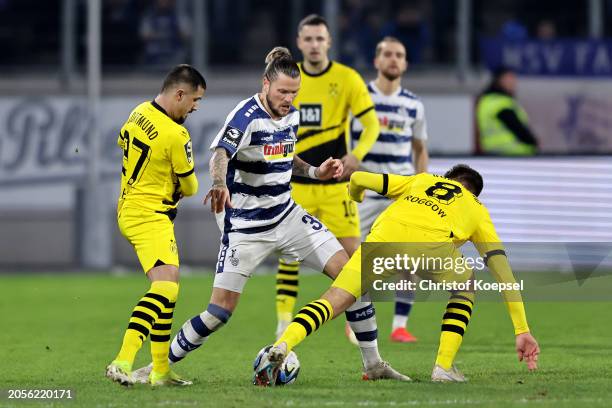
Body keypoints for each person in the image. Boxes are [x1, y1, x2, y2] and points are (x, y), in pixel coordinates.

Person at [131, 47, 408, 384]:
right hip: (247, 227)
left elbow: (287, 157)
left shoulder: (291, 114)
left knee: (352, 276)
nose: (289, 99)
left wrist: (316, 172)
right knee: (219, 312)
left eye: (294, 92)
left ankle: (374, 365)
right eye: (282, 92)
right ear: (266, 85)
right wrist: (219, 183)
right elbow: (221, 153)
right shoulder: (245, 116)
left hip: (288, 215)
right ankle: (156, 365)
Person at [256, 165, 540, 384]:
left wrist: (354, 196)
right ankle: (443, 366)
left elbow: (358, 179)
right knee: (466, 285)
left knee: (334, 299)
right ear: (474, 193)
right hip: (431, 248)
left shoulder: (423, 179)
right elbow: (503, 273)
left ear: (446, 178)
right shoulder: (477, 209)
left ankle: (283, 345)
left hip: (383, 239)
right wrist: (522, 329)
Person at [275, 15, 382, 354]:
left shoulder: (347, 78)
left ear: (329, 41)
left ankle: (355, 323)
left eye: (320, 39)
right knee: (288, 257)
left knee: (351, 260)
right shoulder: (290, 79)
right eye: (308, 39)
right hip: (297, 183)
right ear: (299, 41)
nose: (314, 45)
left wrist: (357, 155)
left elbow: (371, 125)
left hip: (336, 186)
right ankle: (282, 321)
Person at [105, 64, 206, 386]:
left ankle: (160, 370)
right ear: (179, 93)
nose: (195, 107)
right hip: (150, 215)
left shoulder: (138, 112)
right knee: (165, 287)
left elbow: (123, 144)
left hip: (129, 206)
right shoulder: (176, 134)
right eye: (194, 99)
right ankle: (123, 359)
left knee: (170, 289)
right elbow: (191, 188)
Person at [349, 36, 429, 343]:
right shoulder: (359, 99)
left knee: (407, 260)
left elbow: (420, 148)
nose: (394, 60)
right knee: (357, 256)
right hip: (367, 189)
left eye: (400, 55)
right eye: (388, 54)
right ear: (377, 61)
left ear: (405, 63)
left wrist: (420, 188)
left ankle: (399, 325)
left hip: (401, 191)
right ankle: (357, 316)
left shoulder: (413, 104)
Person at [476, 67, 538, 155]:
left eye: (513, 79)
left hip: (498, 155)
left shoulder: (490, 100)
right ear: (499, 81)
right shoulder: (499, 102)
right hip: (511, 155)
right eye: (509, 79)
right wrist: (533, 142)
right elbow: (518, 129)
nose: (513, 83)